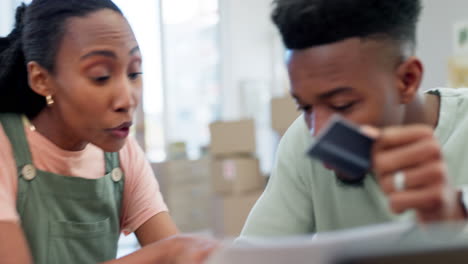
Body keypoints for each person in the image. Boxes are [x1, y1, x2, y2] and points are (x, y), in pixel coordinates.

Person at [0, 0, 217, 263]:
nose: (127, 99)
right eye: (101, 76)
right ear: (41, 80)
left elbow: (176, 255)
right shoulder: (6, 146)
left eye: (134, 73)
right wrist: (165, 253)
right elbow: (170, 251)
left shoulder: (123, 156)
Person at [241, 0, 468, 238]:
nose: (318, 133)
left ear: (407, 80)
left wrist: (453, 222)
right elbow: (256, 250)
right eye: (304, 107)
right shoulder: (301, 141)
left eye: (342, 105)